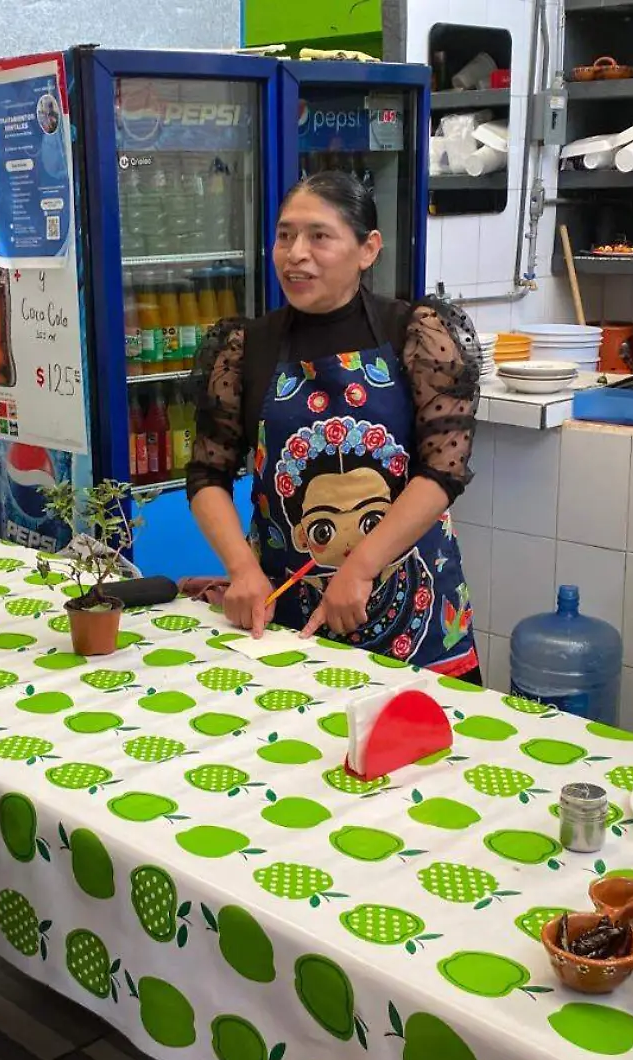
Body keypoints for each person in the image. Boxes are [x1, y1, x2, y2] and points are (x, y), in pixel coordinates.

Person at [186, 171, 484, 679]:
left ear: (368, 249)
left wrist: (361, 567)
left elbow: (442, 474)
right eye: (284, 235)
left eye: (318, 236)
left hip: (414, 607)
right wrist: (241, 569)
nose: (295, 253)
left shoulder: (416, 334)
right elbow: (207, 474)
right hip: (284, 617)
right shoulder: (246, 347)